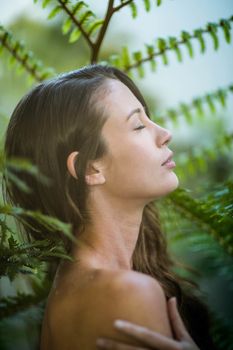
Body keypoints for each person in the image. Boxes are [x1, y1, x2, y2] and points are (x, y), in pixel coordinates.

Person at [3, 64, 216, 350]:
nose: (165, 133)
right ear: (90, 167)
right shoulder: (128, 293)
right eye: (139, 125)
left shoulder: (71, 289)